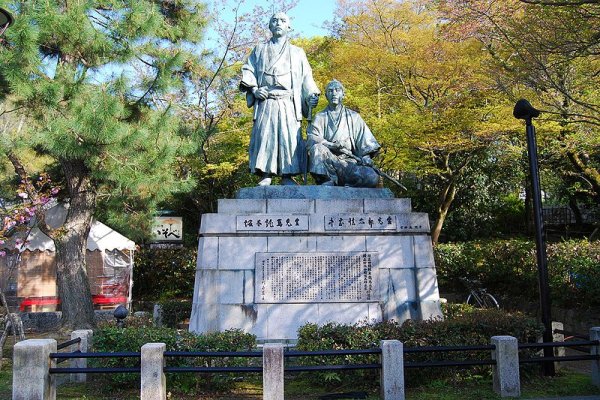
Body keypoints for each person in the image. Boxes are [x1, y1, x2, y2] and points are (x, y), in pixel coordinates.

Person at [239, 12, 320, 186]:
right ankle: (265, 173)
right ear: (269, 26)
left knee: (289, 137)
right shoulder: (259, 50)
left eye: (283, 21)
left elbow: (307, 77)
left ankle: (287, 175)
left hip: (288, 102)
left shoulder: (297, 52)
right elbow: (248, 69)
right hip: (266, 100)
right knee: (264, 136)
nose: (278, 23)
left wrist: (311, 96)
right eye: (274, 20)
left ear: (289, 27)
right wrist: (254, 89)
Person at [307, 80, 381, 187]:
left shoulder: (353, 117)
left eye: (337, 90)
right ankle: (327, 180)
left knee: (373, 177)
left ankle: (348, 185)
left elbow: (366, 143)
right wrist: (331, 145)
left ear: (343, 94)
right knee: (317, 148)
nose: (334, 93)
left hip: (349, 164)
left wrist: (366, 158)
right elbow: (312, 138)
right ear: (326, 95)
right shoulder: (320, 117)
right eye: (330, 91)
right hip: (328, 161)